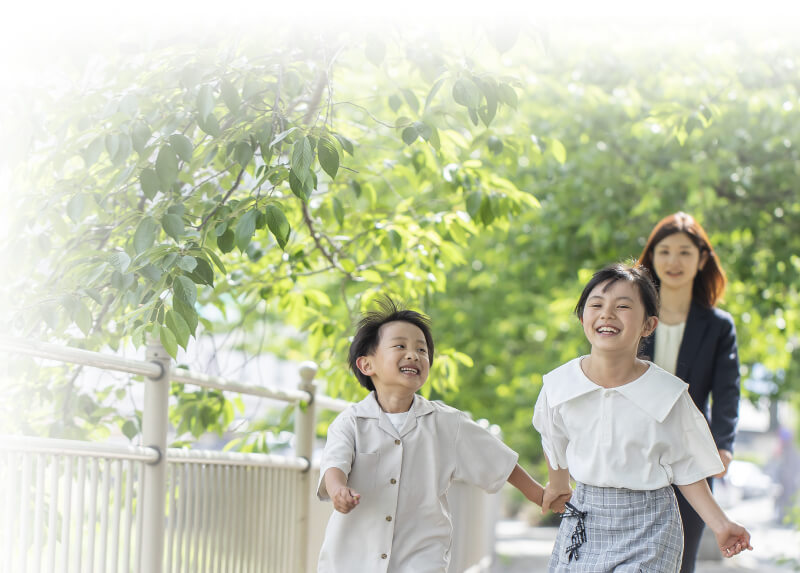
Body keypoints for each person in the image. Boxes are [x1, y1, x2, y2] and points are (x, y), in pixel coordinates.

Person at [533, 263, 752, 572]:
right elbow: (552, 437)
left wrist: (721, 524)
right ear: (583, 317)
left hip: (650, 524)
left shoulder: (668, 394)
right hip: (585, 518)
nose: (607, 314)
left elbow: (687, 466)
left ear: (648, 325)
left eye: (623, 306)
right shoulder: (559, 386)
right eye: (596, 305)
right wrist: (558, 484)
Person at [316, 297, 560, 573]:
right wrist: (338, 491)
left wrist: (541, 495)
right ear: (367, 365)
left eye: (422, 349)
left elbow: (500, 463)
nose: (414, 355)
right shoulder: (350, 422)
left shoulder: (447, 423)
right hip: (353, 559)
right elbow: (334, 464)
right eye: (400, 346)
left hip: (421, 557)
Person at [636, 212, 741, 573]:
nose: (673, 261)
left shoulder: (718, 326)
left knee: (680, 558)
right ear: (651, 258)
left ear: (701, 259)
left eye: (684, 252)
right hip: (631, 445)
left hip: (691, 452)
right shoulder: (630, 313)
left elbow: (728, 392)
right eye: (664, 251)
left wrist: (724, 446)